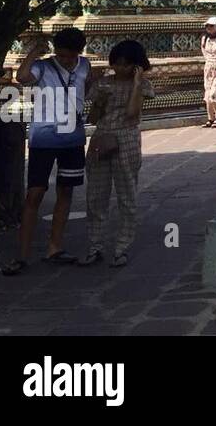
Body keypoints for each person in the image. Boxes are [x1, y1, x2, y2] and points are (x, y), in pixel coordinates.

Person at [2, 26, 95, 275]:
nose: (66, 60)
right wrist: (33, 53)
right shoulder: (42, 67)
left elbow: (87, 89)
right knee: (34, 193)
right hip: (43, 137)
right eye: (62, 55)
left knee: (66, 191)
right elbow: (21, 78)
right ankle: (22, 255)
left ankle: (55, 247)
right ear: (56, 51)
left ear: (79, 52)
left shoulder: (84, 65)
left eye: (71, 55)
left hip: (73, 137)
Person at [82, 40, 155, 268]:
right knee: (95, 195)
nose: (119, 68)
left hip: (127, 138)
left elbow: (133, 113)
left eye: (125, 64)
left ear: (136, 65)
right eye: (116, 63)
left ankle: (122, 246)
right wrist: (100, 103)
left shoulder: (143, 85)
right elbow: (92, 119)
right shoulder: (102, 84)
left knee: (127, 195)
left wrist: (136, 83)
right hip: (102, 137)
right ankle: (95, 246)